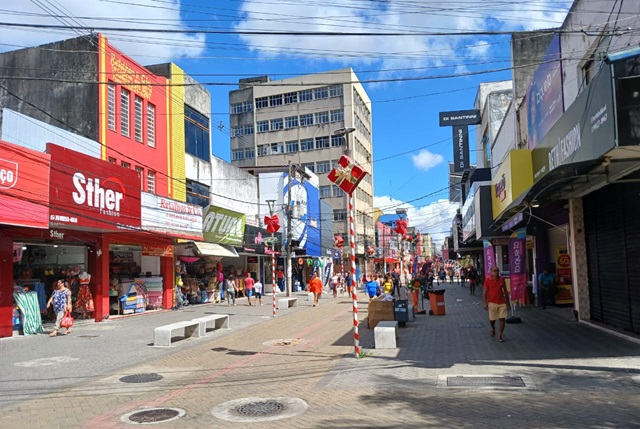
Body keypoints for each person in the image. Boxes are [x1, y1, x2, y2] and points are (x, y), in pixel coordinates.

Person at [483, 266, 510, 342]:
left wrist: (507, 303)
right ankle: (493, 328)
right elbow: (484, 292)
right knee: (492, 320)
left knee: (502, 318)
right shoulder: (488, 280)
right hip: (492, 302)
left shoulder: (502, 279)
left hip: (502, 302)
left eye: (497, 271)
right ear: (491, 272)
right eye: (494, 271)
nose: (496, 272)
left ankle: (500, 334)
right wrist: (485, 303)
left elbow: (505, 291)